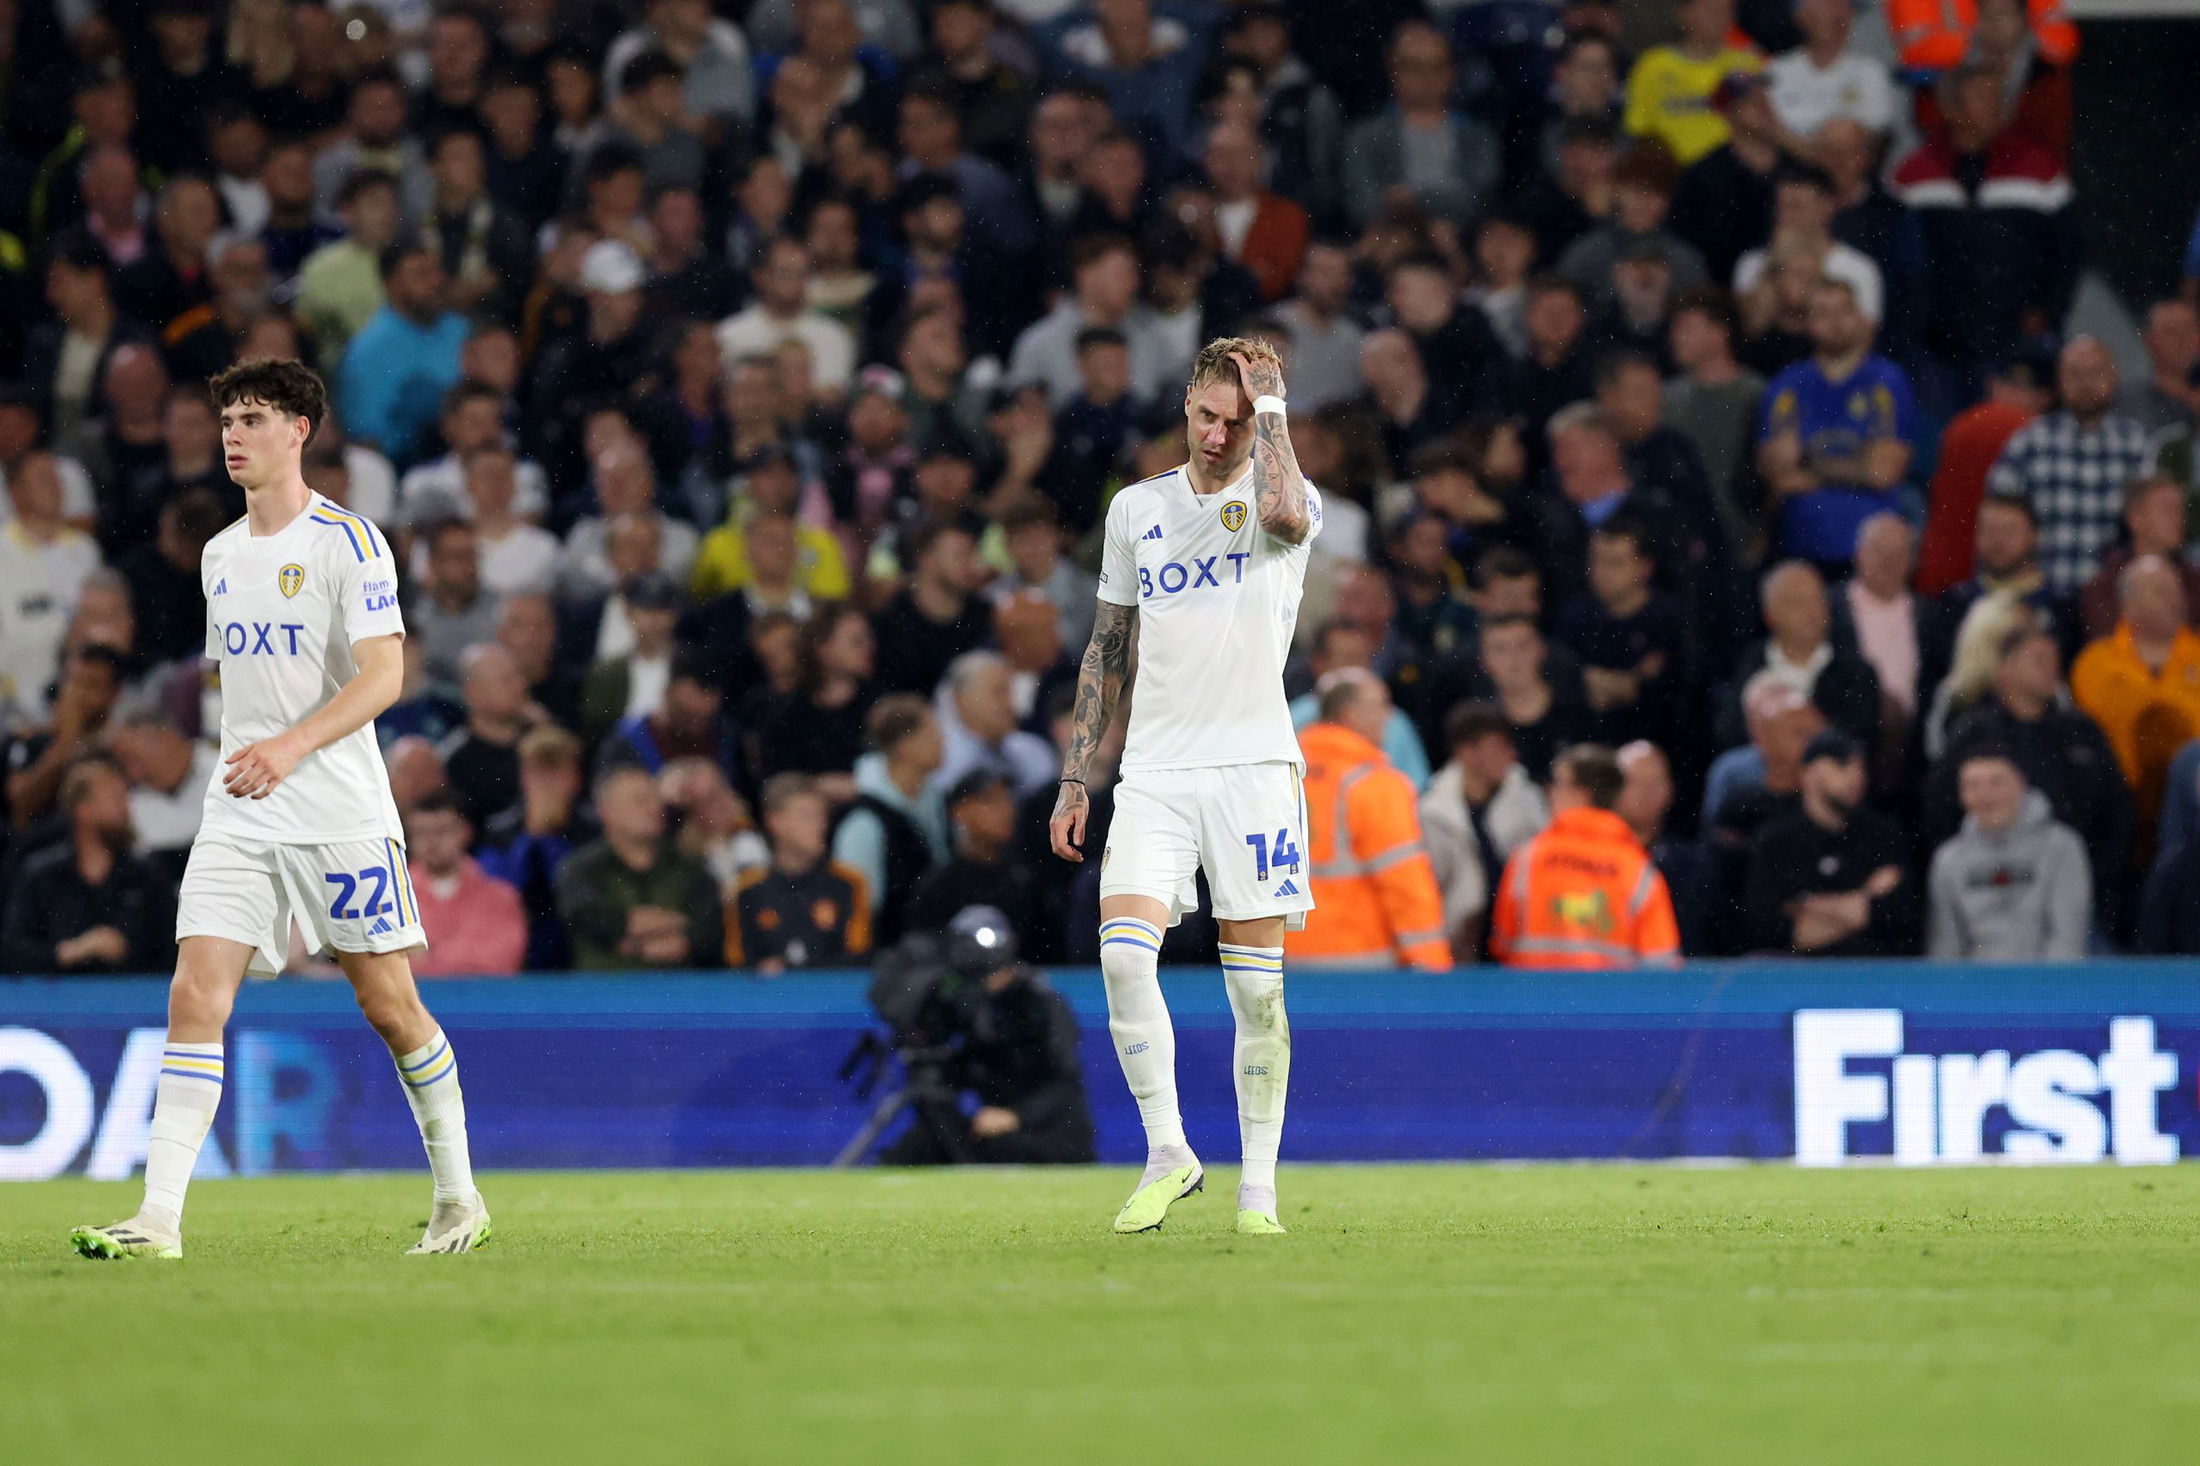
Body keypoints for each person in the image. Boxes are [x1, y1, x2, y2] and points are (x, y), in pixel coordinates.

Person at [69, 358, 488, 1262]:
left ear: (300, 431)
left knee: (389, 1007)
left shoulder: (350, 542)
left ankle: (458, 1197)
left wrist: (294, 747)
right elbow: (248, 692)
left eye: (253, 418)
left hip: (337, 808)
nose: (232, 434)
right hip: (242, 807)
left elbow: (386, 676)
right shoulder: (220, 554)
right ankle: (159, 1220)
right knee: (194, 994)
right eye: (227, 417)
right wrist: (255, 758)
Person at [1048, 335, 1321, 1238]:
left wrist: (1272, 408)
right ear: (1185, 408)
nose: (1215, 435)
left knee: (1257, 994)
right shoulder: (1137, 510)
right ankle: (1170, 1154)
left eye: (1235, 421)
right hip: (1155, 773)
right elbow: (1108, 646)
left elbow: (1282, 517)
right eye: (1205, 414)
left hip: (1251, 772)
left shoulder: (1284, 493)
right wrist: (1077, 776)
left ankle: (1259, 1192)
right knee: (1125, 956)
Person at [874, 906, 1097, 1167]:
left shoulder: (1042, 1004)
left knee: (999, 1146)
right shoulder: (969, 1005)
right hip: (989, 1128)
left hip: (1047, 1132)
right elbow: (965, 1066)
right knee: (917, 1148)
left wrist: (1015, 1116)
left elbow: (1064, 1082)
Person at [1290, 669, 1450, 972]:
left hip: (1288, 960)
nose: (1388, 717)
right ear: (1351, 715)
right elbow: (1405, 886)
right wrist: (1432, 965)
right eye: (1380, 706)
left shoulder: (1285, 776)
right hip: (1361, 964)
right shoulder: (1374, 785)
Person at [1756, 277, 1918, 571]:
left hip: (1871, 553)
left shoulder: (1887, 382)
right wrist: (1856, 467)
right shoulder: (1787, 385)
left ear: (1860, 318)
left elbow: (1883, 472)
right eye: (1823, 313)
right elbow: (1781, 475)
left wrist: (1812, 469)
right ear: (1806, 323)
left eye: (1844, 311)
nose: (1835, 322)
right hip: (1801, 548)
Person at [1986, 337, 2153, 597]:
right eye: (2074, 373)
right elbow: (1996, 520)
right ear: (2059, 381)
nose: (2085, 383)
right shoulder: (2029, 442)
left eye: (2095, 372)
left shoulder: (2138, 445)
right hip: (2042, 597)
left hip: (2114, 600)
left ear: (2114, 377)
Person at [1488, 744, 1681, 969]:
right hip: (1609, 1002)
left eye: (1559, 784)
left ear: (1584, 793)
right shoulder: (1639, 870)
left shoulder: (1528, 859)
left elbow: (1502, 943)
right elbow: (1661, 962)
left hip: (1534, 1000)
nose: (1551, 792)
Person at [1742, 728, 1912, 957]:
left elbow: (1899, 919)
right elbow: (1770, 930)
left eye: (1860, 767)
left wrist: (1811, 906)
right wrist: (1863, 899)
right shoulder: (1777, 841)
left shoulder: (1882, 835)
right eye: (1842, 765)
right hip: (1798, 980)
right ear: (1809, 773)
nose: (1856, 776)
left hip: (1872, 975)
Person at [0, 755, 173, 974]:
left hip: (135, 1000)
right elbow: (11, 951)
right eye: (116, 799)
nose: (126, 810)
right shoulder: (41, 875)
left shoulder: (147, 875)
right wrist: (70, 951)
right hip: (54, 1002)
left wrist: (127, 951)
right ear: (83, 809)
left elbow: (171, 949)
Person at [2069, 556, 2200, 823]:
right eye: (2161, 591)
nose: (2175, 600)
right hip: (2117, 806)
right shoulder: (2094, 664)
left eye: (2177, 590)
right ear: (2128, 606)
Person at [556, 763, 722, 971]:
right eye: (640, 801)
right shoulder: (580, 869)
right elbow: (589, 917)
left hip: (679, 994)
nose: (654, 808)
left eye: (656, 799)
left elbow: (708, 929)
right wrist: (674, 923)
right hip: (602, 994)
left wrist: (684, 942)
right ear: (606, 811)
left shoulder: (691, 867)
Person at [1926, 750, 2090, 961]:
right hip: (1976, 987)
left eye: (1996, 782)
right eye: (1972, 786)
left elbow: (2068, 939)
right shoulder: (1947, 859)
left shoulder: (2062, 846)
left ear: (2021, 784)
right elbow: (1945, 946)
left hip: (2045, 984)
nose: (1985, 796)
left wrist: (2050, 990)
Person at [1420, 702, 1550, 962]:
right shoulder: (1431, 812)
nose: (1510, 755)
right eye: (1499, 747)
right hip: (1458, 946)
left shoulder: (1528, 801)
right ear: (1467, 752)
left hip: (1518, 942)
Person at [831, 693, 948, 946]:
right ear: (905, 745)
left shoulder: (937, 805)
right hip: (888, 962)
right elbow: (860, 909)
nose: (942, 741)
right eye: (932, 733)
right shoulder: (864, 821)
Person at [403, 791, 527, 978]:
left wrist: (429, 959)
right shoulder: (391, 898)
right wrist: (463, 958)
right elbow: (380, 969)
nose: (431, 841)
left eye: (442, 831)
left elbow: (503, 962)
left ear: (465, 832)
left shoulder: (500, 898)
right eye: (420, 832)